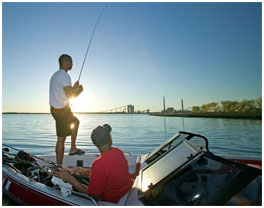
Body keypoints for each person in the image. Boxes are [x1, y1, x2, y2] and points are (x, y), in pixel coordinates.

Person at [54, 124, 134, 203]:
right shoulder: (118, 152)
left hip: (113, 201)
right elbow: (109, 172)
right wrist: (83, 170)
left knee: (73, 182)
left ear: (95, 144)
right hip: (128, 192)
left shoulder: (98, 164)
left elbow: (94, 197)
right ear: (110, 139)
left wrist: (69, 179)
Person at [49, 54, 84, 165]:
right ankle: (59, 166)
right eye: (71, 62)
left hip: (57, 109)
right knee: (61, 139)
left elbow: (64, 92)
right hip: (61, 111)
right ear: (65, 62)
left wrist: (74, 88)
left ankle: (73, 148)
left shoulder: (56, 75)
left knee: (75, 122)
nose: (72, 64)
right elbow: (70, 96)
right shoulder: (64, 76)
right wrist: (79, 91)